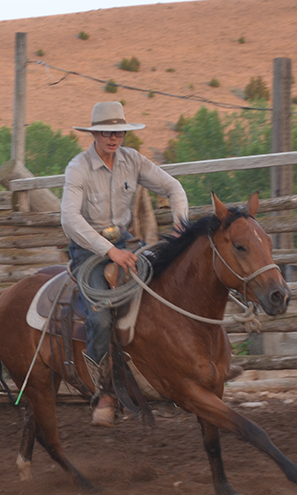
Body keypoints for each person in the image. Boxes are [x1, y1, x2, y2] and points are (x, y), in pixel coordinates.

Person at [61, 102, 189, 427]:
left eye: (118, 132)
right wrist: (109, 251)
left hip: (126, 243)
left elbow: (173, 187)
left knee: (165, 290)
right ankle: (103, 390)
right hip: (87, 250)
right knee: (100, 317)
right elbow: (70, 219)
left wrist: (181, 225)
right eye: (107, 132)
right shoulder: (78, 168)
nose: (113, 138)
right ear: (95, 134)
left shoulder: (133, 160)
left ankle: (167, 373)